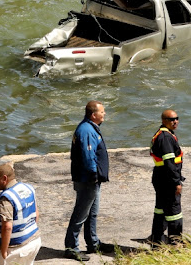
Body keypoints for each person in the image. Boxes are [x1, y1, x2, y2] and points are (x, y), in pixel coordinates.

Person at [64, 100, 112, 261]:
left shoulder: (90, 128)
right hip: (87, 180)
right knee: (81, 213)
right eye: (102, 112)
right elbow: (88, 156)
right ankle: (71, 247)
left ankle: (93, 243)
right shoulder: (86, 130)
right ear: (93, 115)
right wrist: (93, 175)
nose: (104, 114)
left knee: (92, 213)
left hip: (92, 180)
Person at [0, 163, 41, 265]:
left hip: (17, 248)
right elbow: (36, 212)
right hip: (34, 241)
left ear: (4, 178)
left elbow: (7, 227)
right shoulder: (28, 188)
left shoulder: (6, 199)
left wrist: (4, 251)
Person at [149, 109, 184, 245]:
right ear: (164, 121)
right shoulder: (165, 138)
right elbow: (170, 163)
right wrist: (177, 182)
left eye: (176, 118)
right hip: (167, 179)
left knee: (161, 210)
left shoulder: (164, 134)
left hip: (161, 177)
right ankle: (175, 243)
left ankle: (157, 241)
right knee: (174, 212)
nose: (175, 121)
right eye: (171, 119)